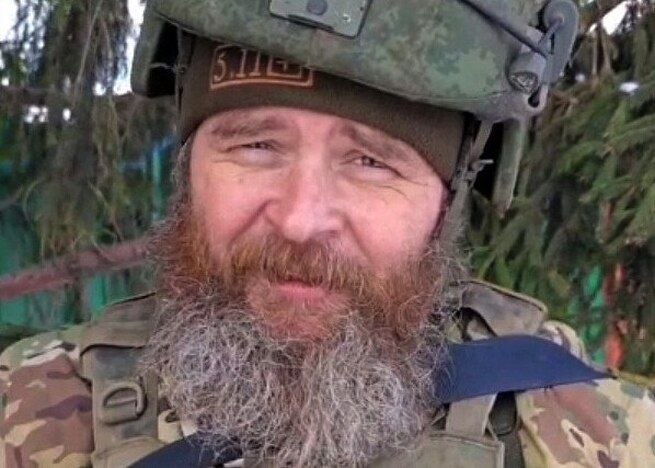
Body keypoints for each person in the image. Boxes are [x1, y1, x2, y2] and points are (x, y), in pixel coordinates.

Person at [2, 1, 655, 467]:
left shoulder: (606, 437)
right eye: (256, 145)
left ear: (448, 198)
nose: (300, 219)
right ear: (189, 164)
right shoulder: (22, 411)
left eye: (370, 162)